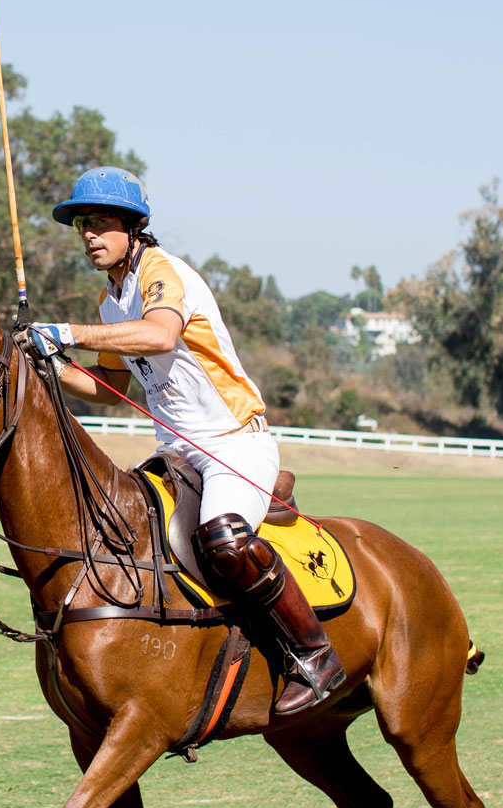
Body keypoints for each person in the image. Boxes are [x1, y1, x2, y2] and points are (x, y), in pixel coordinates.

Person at [30, 167, 345, 715]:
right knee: (127, 535)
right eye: (82, 224)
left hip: (232, 442)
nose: (88, 235)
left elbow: (161, 334)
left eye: (101, 222)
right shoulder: (112, 304)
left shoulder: (162, 274)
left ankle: (315, 654)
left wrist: (69, 333)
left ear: (133, 226)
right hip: (176, 453)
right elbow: (112, 388)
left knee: (222, 540)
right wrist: (50, 364)